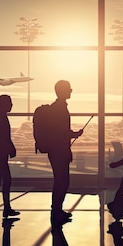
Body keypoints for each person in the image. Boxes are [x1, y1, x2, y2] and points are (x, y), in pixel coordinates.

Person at [47, 80, 83, 223]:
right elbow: (61, 131)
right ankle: (56, 211)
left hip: (56, 150)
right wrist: (74, 134)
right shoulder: (60, 108)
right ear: (62, 91)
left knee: (60, 181)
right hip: (59, 150)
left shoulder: (57, 107)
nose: (71, 91)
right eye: (69, 89)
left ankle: (57, 210)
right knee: (62, 181)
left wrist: (72, 134)